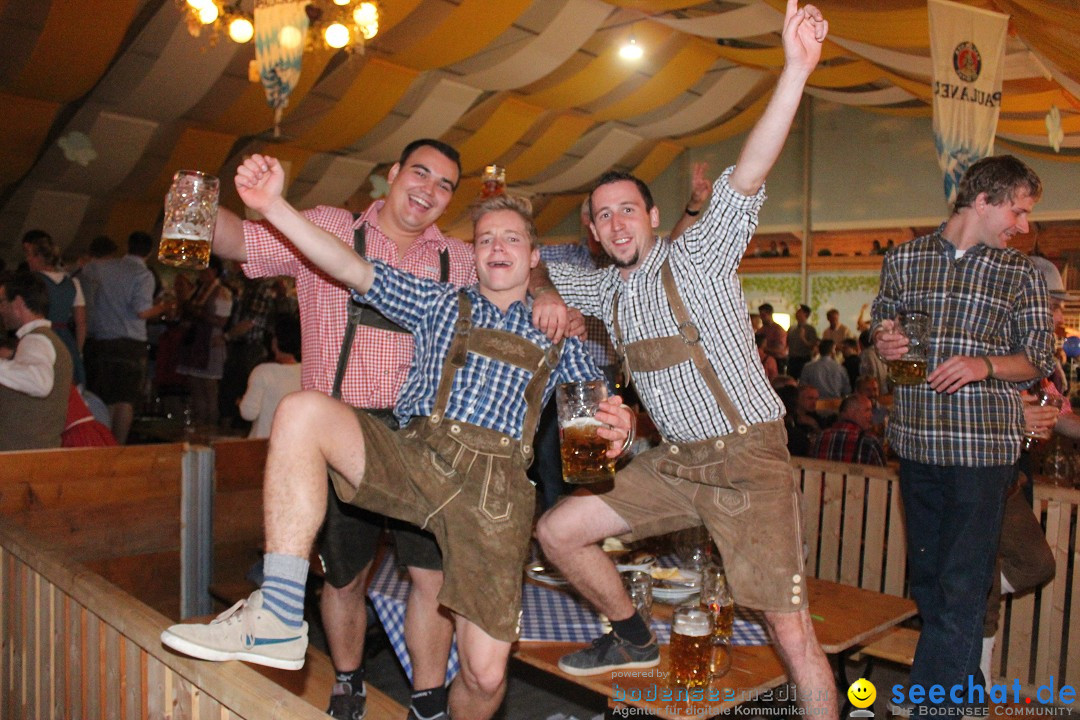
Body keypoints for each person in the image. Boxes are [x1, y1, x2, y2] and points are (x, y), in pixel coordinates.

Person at [161, 159, 634, 720]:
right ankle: (281, 615)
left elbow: (593, 435)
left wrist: (616, 431)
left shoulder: (561, 337)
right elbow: (348, 265)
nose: (497, 247)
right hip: (419, 455)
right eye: (485, 239)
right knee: (302, 412)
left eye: (511, 239)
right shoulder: (438, 301)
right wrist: (273, 208)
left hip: (496, 497)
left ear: (534, 259)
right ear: (473, 254)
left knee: (484, 677)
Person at [533, 3, 837, 718]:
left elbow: (752, 169)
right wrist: (549, 294)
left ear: (654, 217)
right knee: (557, 532)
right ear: (592, 228)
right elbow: (521, 267)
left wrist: (795, 69)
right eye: (602, 215)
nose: (614, 223)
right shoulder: (602, 286)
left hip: (747, 461)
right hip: (673, 463)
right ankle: (633, 635)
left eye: (626, 210)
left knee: (790, 632)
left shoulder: (698, 257)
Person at [871, 155, 1054, 717]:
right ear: (984, 200)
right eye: (1018, 211)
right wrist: (885, 345)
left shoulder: (1019, 273)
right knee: (930, 581)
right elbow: (881, 338)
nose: (1022, 226)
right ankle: (965, 688)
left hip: (983, 450)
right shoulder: (903, 259)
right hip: (916, 443)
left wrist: (985, 365)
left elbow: (1040, 356)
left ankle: (937, 705)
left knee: (960, 583)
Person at [79, 231, 171, 444]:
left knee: (100, 398)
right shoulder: (143, 275)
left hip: (99, 341)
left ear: (127, 246)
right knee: (125, 400)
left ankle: (100, 442)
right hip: (129, 344)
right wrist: (164, 307)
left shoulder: (102, 267)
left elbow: (83, 271)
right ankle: (116, 446)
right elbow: (142, 311)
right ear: (150, 251)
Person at [0, 271, 74, 451]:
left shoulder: (36, 340)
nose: (0, 310)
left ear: (17, 303)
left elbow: (38, 381)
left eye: (2, 302)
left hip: (23, 462)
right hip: (34, 459)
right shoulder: (43, 340)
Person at [22, 230, 87, 387]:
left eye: (30, 256)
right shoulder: (73, 283)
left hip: (39, 336)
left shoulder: (32, 282)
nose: (28, 260)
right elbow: (81, 323)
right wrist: (77, 351)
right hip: (65, 339)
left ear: (38, 258)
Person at [176, 256, 234, 428]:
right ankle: (198, 424)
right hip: (196, 338)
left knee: (209, 389)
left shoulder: (222, 292)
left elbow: (222, 321)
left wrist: (199, 314)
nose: (201, 273)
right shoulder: (199, 289)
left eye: (204, 269)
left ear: (214, 271)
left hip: (210, 339)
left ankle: (209, 428)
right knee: (195, 386)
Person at [238, 314, 302, 439]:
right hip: (295, 444)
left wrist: (241, 402)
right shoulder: (307, 372)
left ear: (275, 341)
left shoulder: (263, 372)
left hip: (262, 445)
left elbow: (248, 413)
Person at [811, 393, 885, 466]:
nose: (871, 415)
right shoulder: (869, 442)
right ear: (851, 412)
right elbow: (883, 474)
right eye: (867, 410)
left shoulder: (821, 437)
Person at [786, 303, 819, 379]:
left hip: (803, 360)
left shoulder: (810, 329)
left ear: (806, 314)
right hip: (792, 359)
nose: (796, 313)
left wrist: (803, 338)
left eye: (799, 311)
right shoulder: (791, 328)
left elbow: (812, 346)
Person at [758, 302, 788, 375]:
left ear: (769, 314)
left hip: (777, 361)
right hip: (764, 360)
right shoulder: (761, 330)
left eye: (763, 315)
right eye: (760, 315)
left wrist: (764, 349)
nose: (761, 318)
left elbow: (780, 350)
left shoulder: (778, 330)